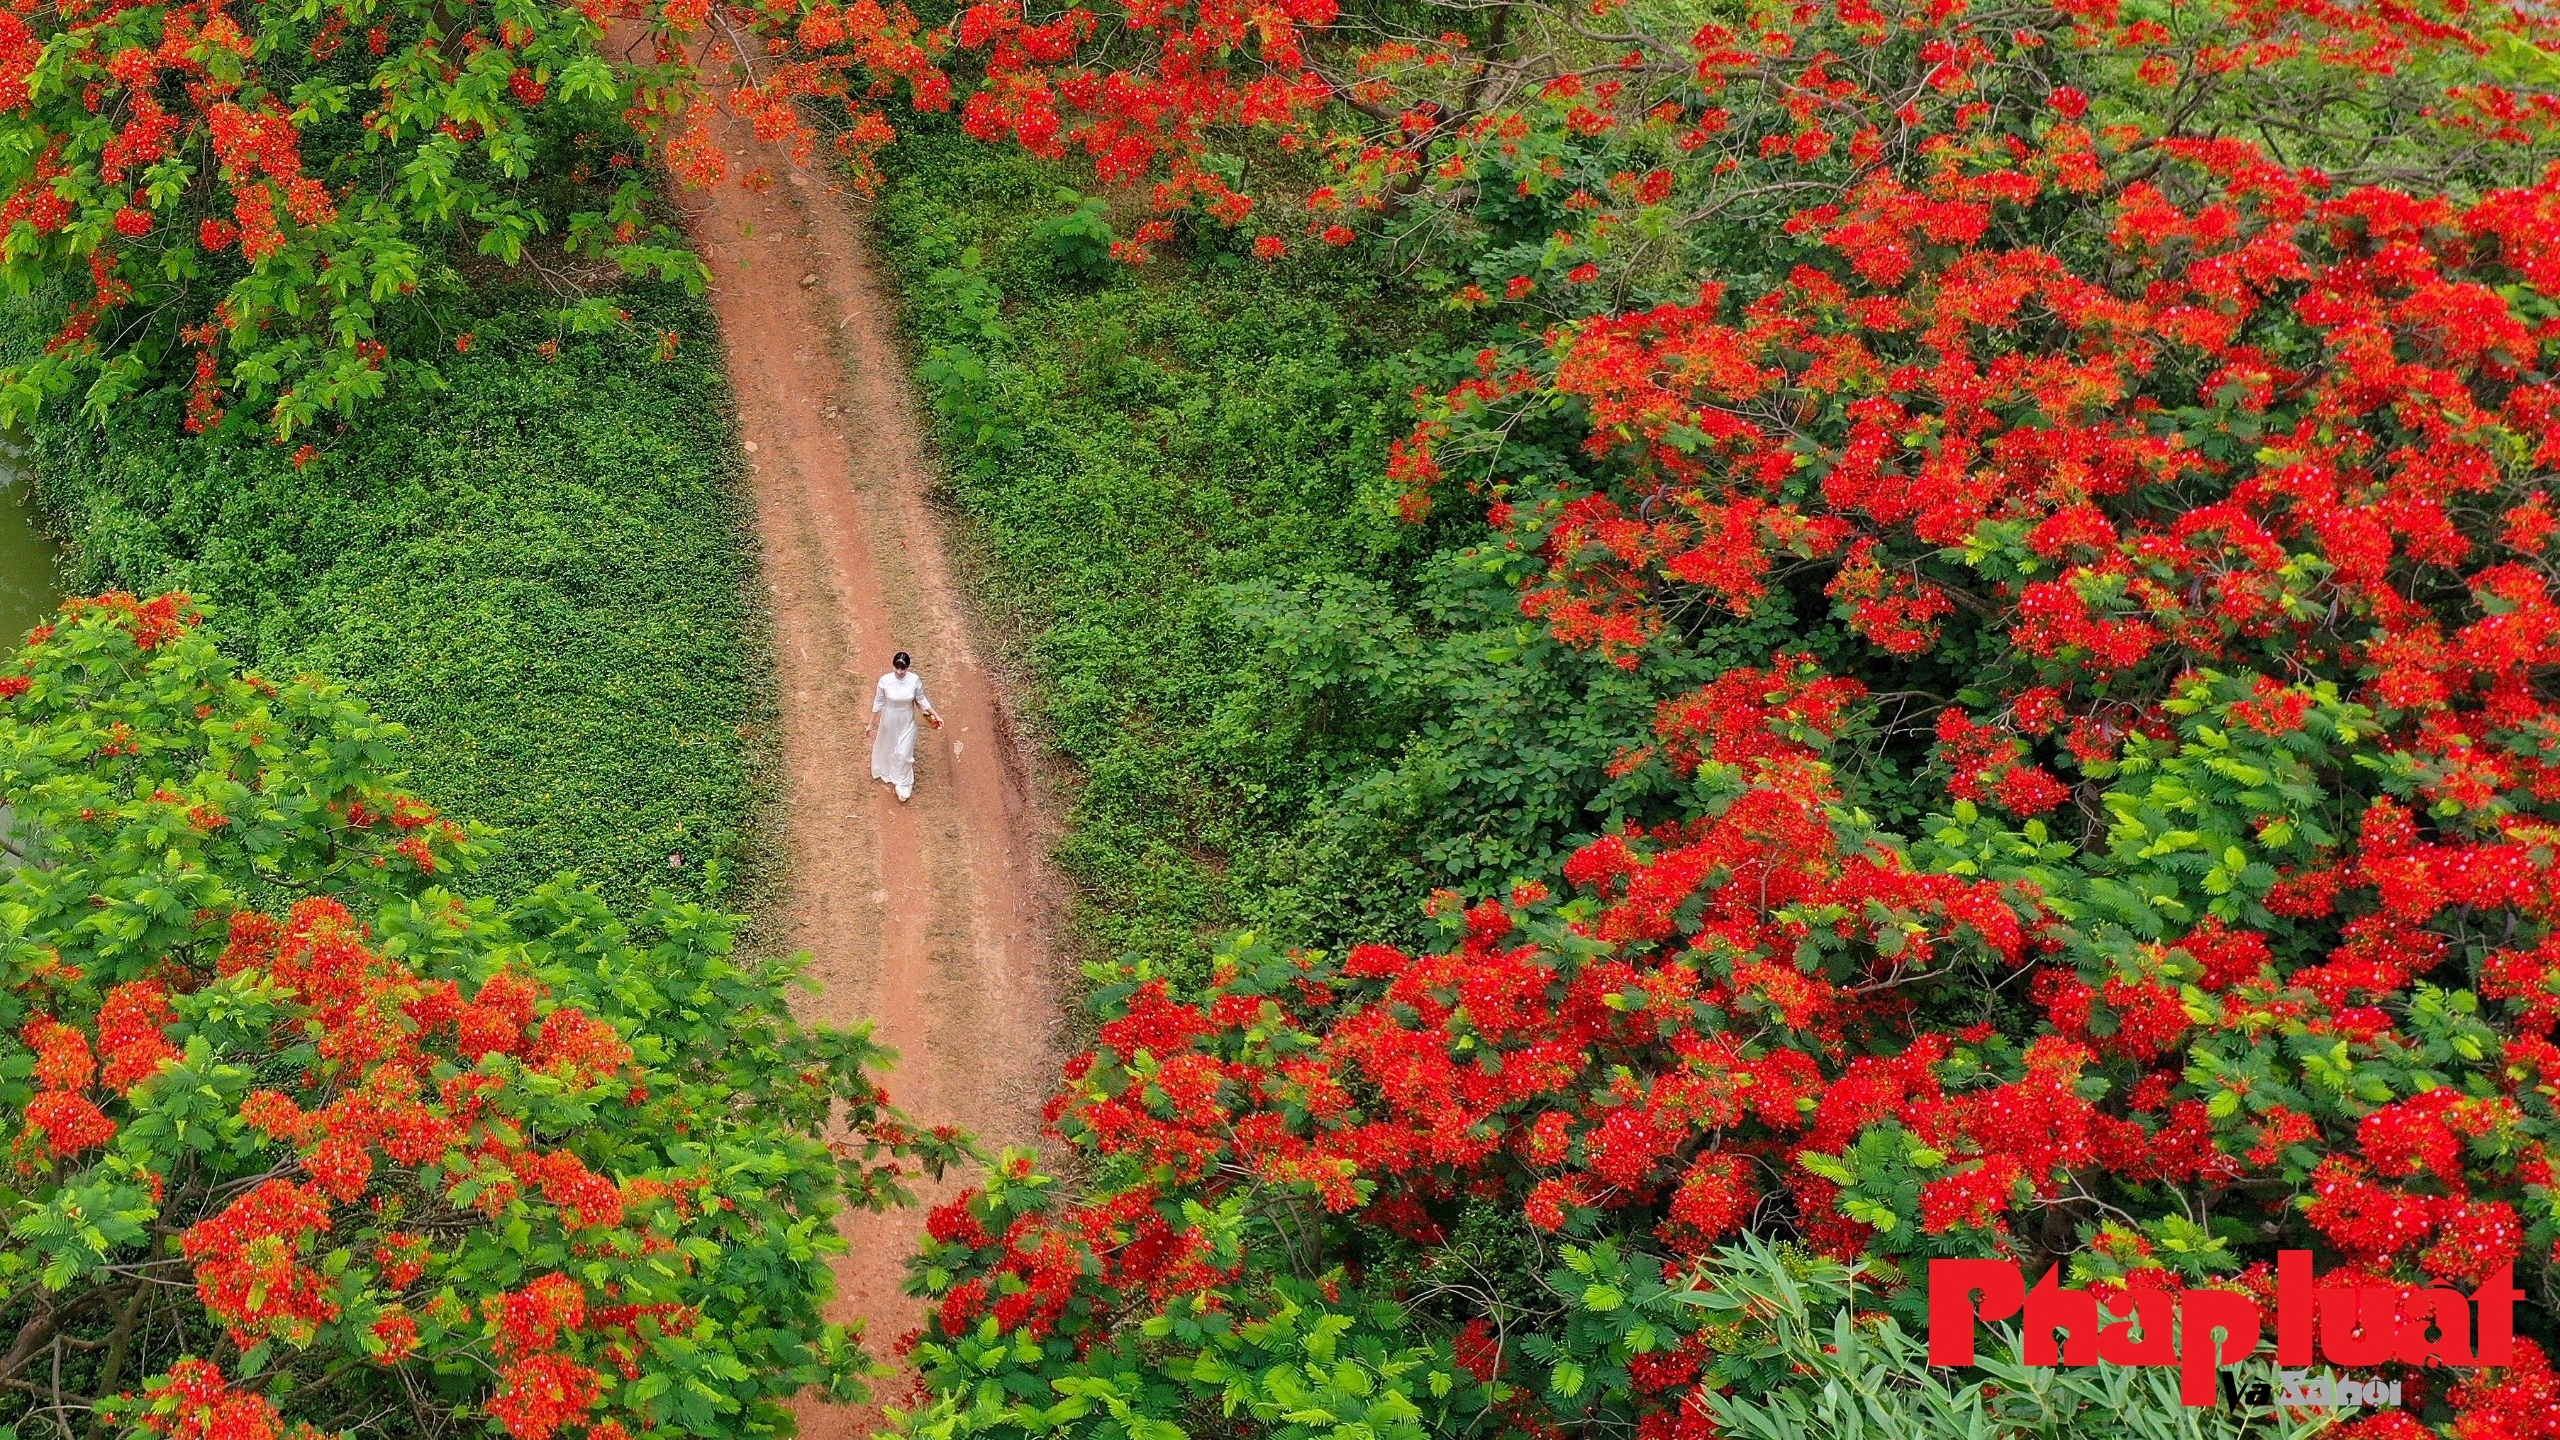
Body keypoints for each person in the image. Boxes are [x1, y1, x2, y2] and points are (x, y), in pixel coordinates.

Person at [870, 652, 937, 802]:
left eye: (903, 668)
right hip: (890, 719)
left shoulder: (914, 681)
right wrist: (871, 724)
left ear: (907, 667)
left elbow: (921, 699)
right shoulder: (885, 681)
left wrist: (935, 715)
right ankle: (889, 770)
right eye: (897, 668)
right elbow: (878, 702)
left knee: (904, 753)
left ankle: (903, 783)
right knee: (890, 746)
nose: (899, 672)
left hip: (908, 720)